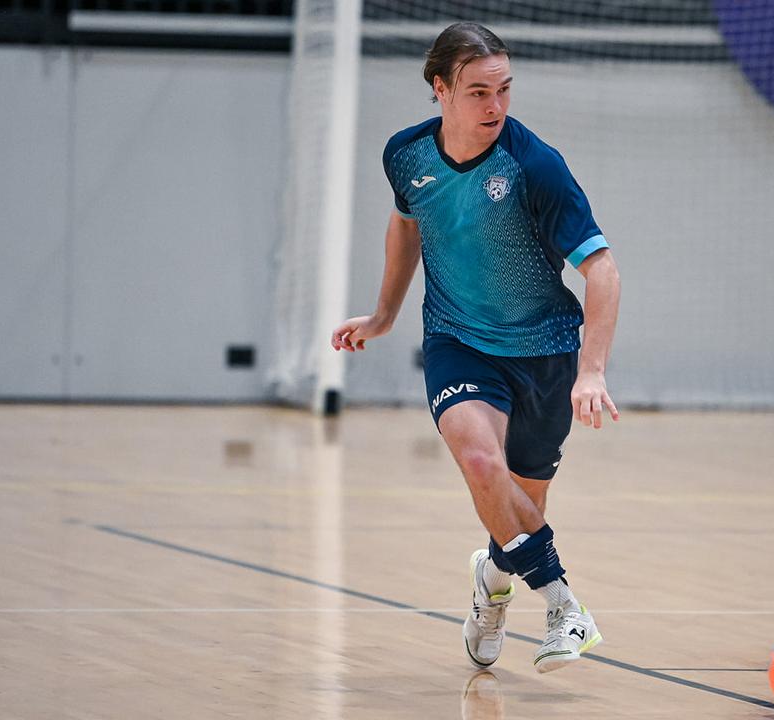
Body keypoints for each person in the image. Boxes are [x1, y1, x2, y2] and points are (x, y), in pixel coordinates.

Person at [331, 22, 621, 673]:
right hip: (457, 341)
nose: (495, 106)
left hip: (545, 352)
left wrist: (592, 371)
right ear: (441, 89)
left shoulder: (534, 166)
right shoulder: (406, 155)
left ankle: (491, 584)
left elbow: (602, 269)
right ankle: (565, 607)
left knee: (516, 512)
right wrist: (383, 315)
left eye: (505, 90)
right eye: (478, 92)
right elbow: (407, 226)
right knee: (482, 467)